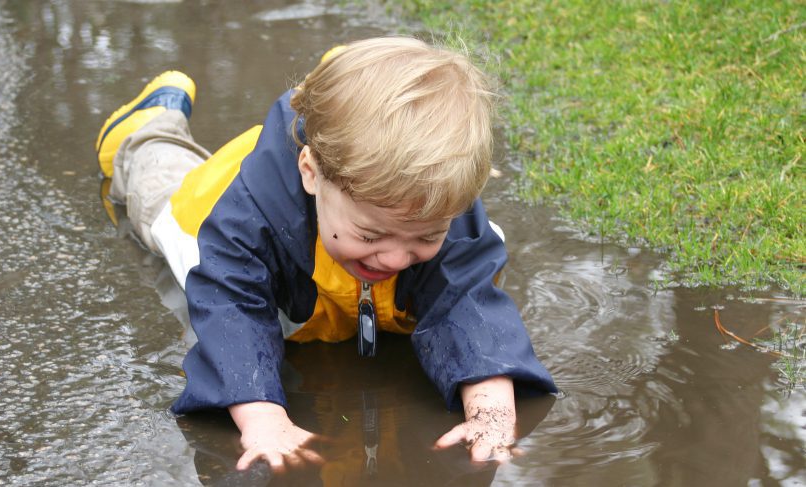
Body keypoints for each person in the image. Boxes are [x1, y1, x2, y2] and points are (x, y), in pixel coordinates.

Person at [96, 36, 557, 473]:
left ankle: (340, 94)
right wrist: (264, 420)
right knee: (157, 189)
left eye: (424, 238)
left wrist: (491, 414)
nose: (396, 259)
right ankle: (146, 128)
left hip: (331, 174)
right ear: (311, 173)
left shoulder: (432, 204)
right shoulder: (244, 230)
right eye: (371, 235)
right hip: (203, 205)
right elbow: (231, 314)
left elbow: (470, 306)